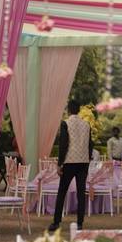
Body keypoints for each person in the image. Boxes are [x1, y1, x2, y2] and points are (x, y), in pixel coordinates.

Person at [49, 99, 93, 232]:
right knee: (81, 193)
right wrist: (88, 158)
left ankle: (56, 222)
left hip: (69, 162)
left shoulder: (66, 123)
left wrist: (59, 164)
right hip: (83, 163)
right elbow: (90, 144)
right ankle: (80, 223)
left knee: (62, 192)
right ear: (79, 110)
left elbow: (63, 145)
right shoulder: (86, 124)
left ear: (68, 110)